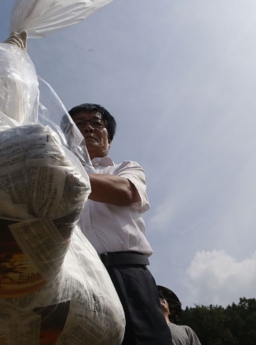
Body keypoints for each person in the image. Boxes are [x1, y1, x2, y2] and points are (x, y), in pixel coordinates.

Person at [68, 103, 172, 345]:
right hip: (74, 279)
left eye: (96, 123)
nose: (88, 128)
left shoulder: (124, 168)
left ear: (109, 138)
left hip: (125, 273)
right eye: (79, 124)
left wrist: (65, 171)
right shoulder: (48, 176)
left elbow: (125, 192)